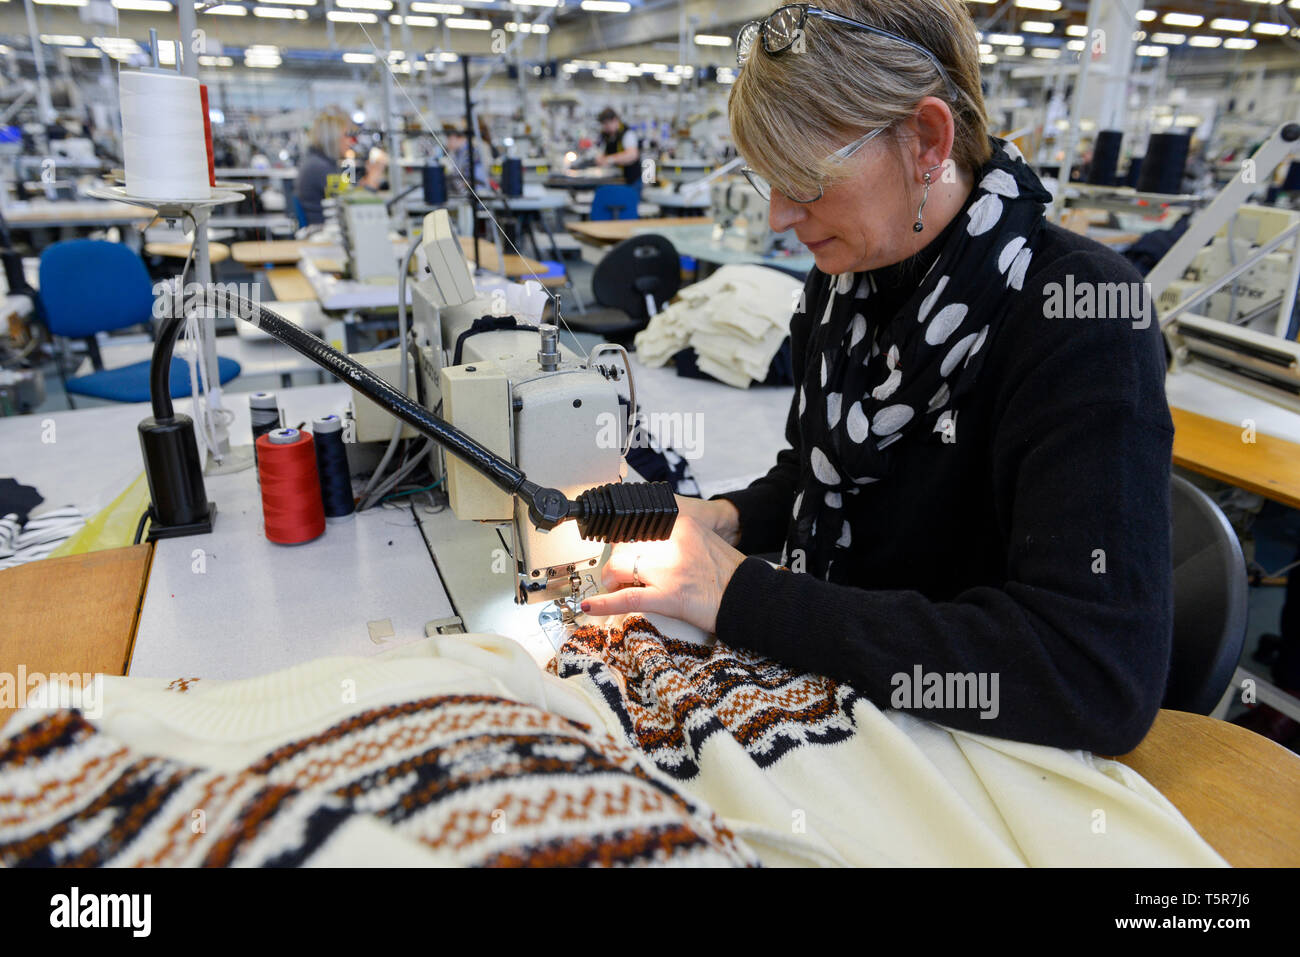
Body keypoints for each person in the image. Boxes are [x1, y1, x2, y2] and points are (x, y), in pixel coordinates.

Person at [582, 0, 1173, 756]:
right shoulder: (851, 279)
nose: (777, 216)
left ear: (926, 140)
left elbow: (1093, 674)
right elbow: (820, 471)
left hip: (986, 756)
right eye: (770, 179)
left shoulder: (1081, 318)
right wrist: (722, 520)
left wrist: (739, 593)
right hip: (866, 711)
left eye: (803, 178)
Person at [296, 108, 353, 226]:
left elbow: (348, 187)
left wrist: (349, 163)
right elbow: (351, 202)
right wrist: (372, 179)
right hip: (324, 233)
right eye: (346, 136)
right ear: (333, 138)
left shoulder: (322, 163)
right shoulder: (319, 168)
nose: (350, 142)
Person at [595, 106, 640, 184]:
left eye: (607, 124)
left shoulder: (628, 134)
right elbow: (601, 151)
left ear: (615, 120)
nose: (605, 127)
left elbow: (632, 155)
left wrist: (609, 159)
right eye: (603, 124)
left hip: (631, 180)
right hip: (615, 179)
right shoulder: (606, 135)